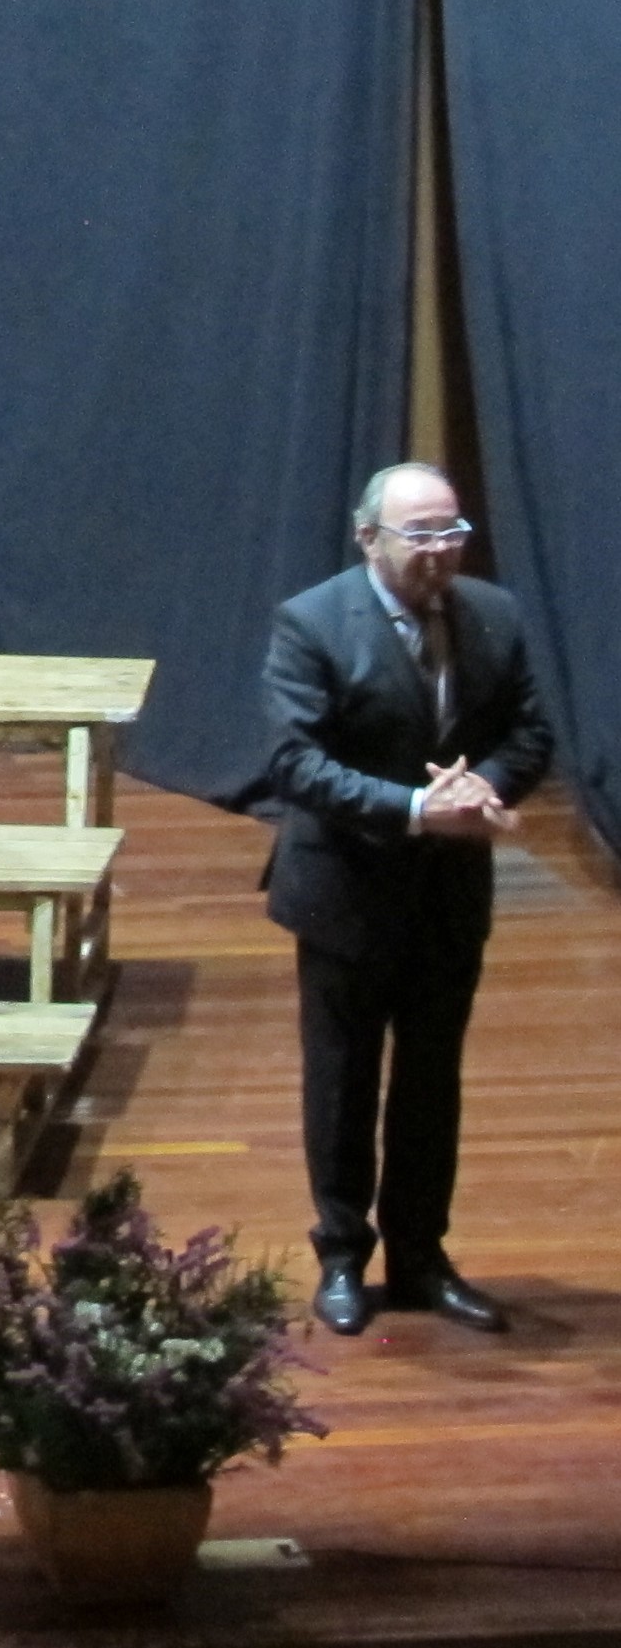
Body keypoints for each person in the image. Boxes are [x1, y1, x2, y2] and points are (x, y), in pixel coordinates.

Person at [264, 462, 552, 1337]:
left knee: (430, 1080)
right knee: (342, 1080)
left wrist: (482, 785)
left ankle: (420, 1256)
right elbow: (295, 762)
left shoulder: (493, 615)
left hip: (446, 895)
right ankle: (341, 1255)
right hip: (345, 890)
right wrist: (417, 808)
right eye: (418, 534)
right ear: (368, 538)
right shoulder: (311, 622)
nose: (439, 551)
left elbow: (529, 731)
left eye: (450, 531)